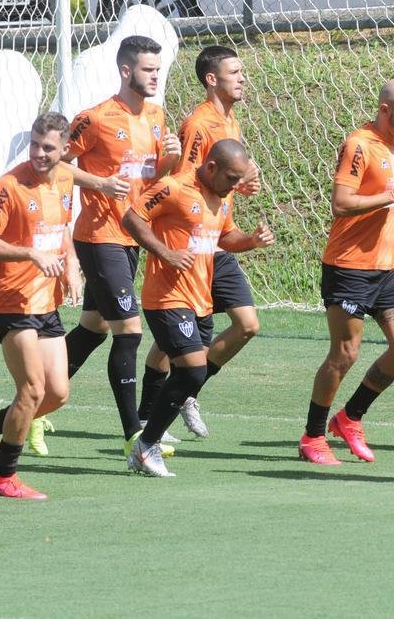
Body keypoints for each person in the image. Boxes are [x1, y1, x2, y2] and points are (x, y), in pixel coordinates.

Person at [122, 139, 273, 476]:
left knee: (193, 373)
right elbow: (132, 218)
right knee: (191, 369)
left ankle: (147, 439)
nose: (236, 185)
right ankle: (146, 444)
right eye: (232, 178)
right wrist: (165, 252)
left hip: (199, 297)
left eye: (239, 179)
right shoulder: (174, 187)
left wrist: (252, 240)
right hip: (166, 296)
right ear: (211, 167)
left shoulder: (222, 195)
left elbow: (224, 237)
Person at [61, 35, 181, 455]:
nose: (155, 76)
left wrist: (171, 158)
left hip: (131, 235)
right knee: (128, 330)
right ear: (126, 70)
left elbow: (151, 176)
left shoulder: (157, 116)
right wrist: (97, 182)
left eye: (158, 69)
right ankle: (136, 432)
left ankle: (34, 403)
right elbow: (53, 162)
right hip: (98, 236)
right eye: (149, 69)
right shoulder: (93, 119)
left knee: (92, 329)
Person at [137, 45, 263, 440]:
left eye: (242, 71)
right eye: (234, 72)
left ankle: (186, 388)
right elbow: (190, 182)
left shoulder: (231, 122)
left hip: (218, 243)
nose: (242, 78)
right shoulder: (199, 124)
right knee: (174, 335)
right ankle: (155, 411)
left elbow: (222, 184)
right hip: (194, 244)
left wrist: (242, 186)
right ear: (212, 79)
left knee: (246, 325)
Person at [299, 78, 394, 466]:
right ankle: (312, 436)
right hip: (348, 267)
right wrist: (392, 196)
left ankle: (350, 417)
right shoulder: (359, 144)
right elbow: (341, 203)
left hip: (386, 269)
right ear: (385, 110)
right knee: (344, 354)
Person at [0, 113, 79, 499]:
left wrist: (71, 267)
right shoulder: (9, 186)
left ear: (64, 150)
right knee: (31, 389)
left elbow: (61, 229)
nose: (39, 154)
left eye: (48, 147)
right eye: (34, 145)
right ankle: (6, 478)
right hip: (12, 301)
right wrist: (29, 254)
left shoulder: (64, 180)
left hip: (46, 301)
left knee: (57, 393)